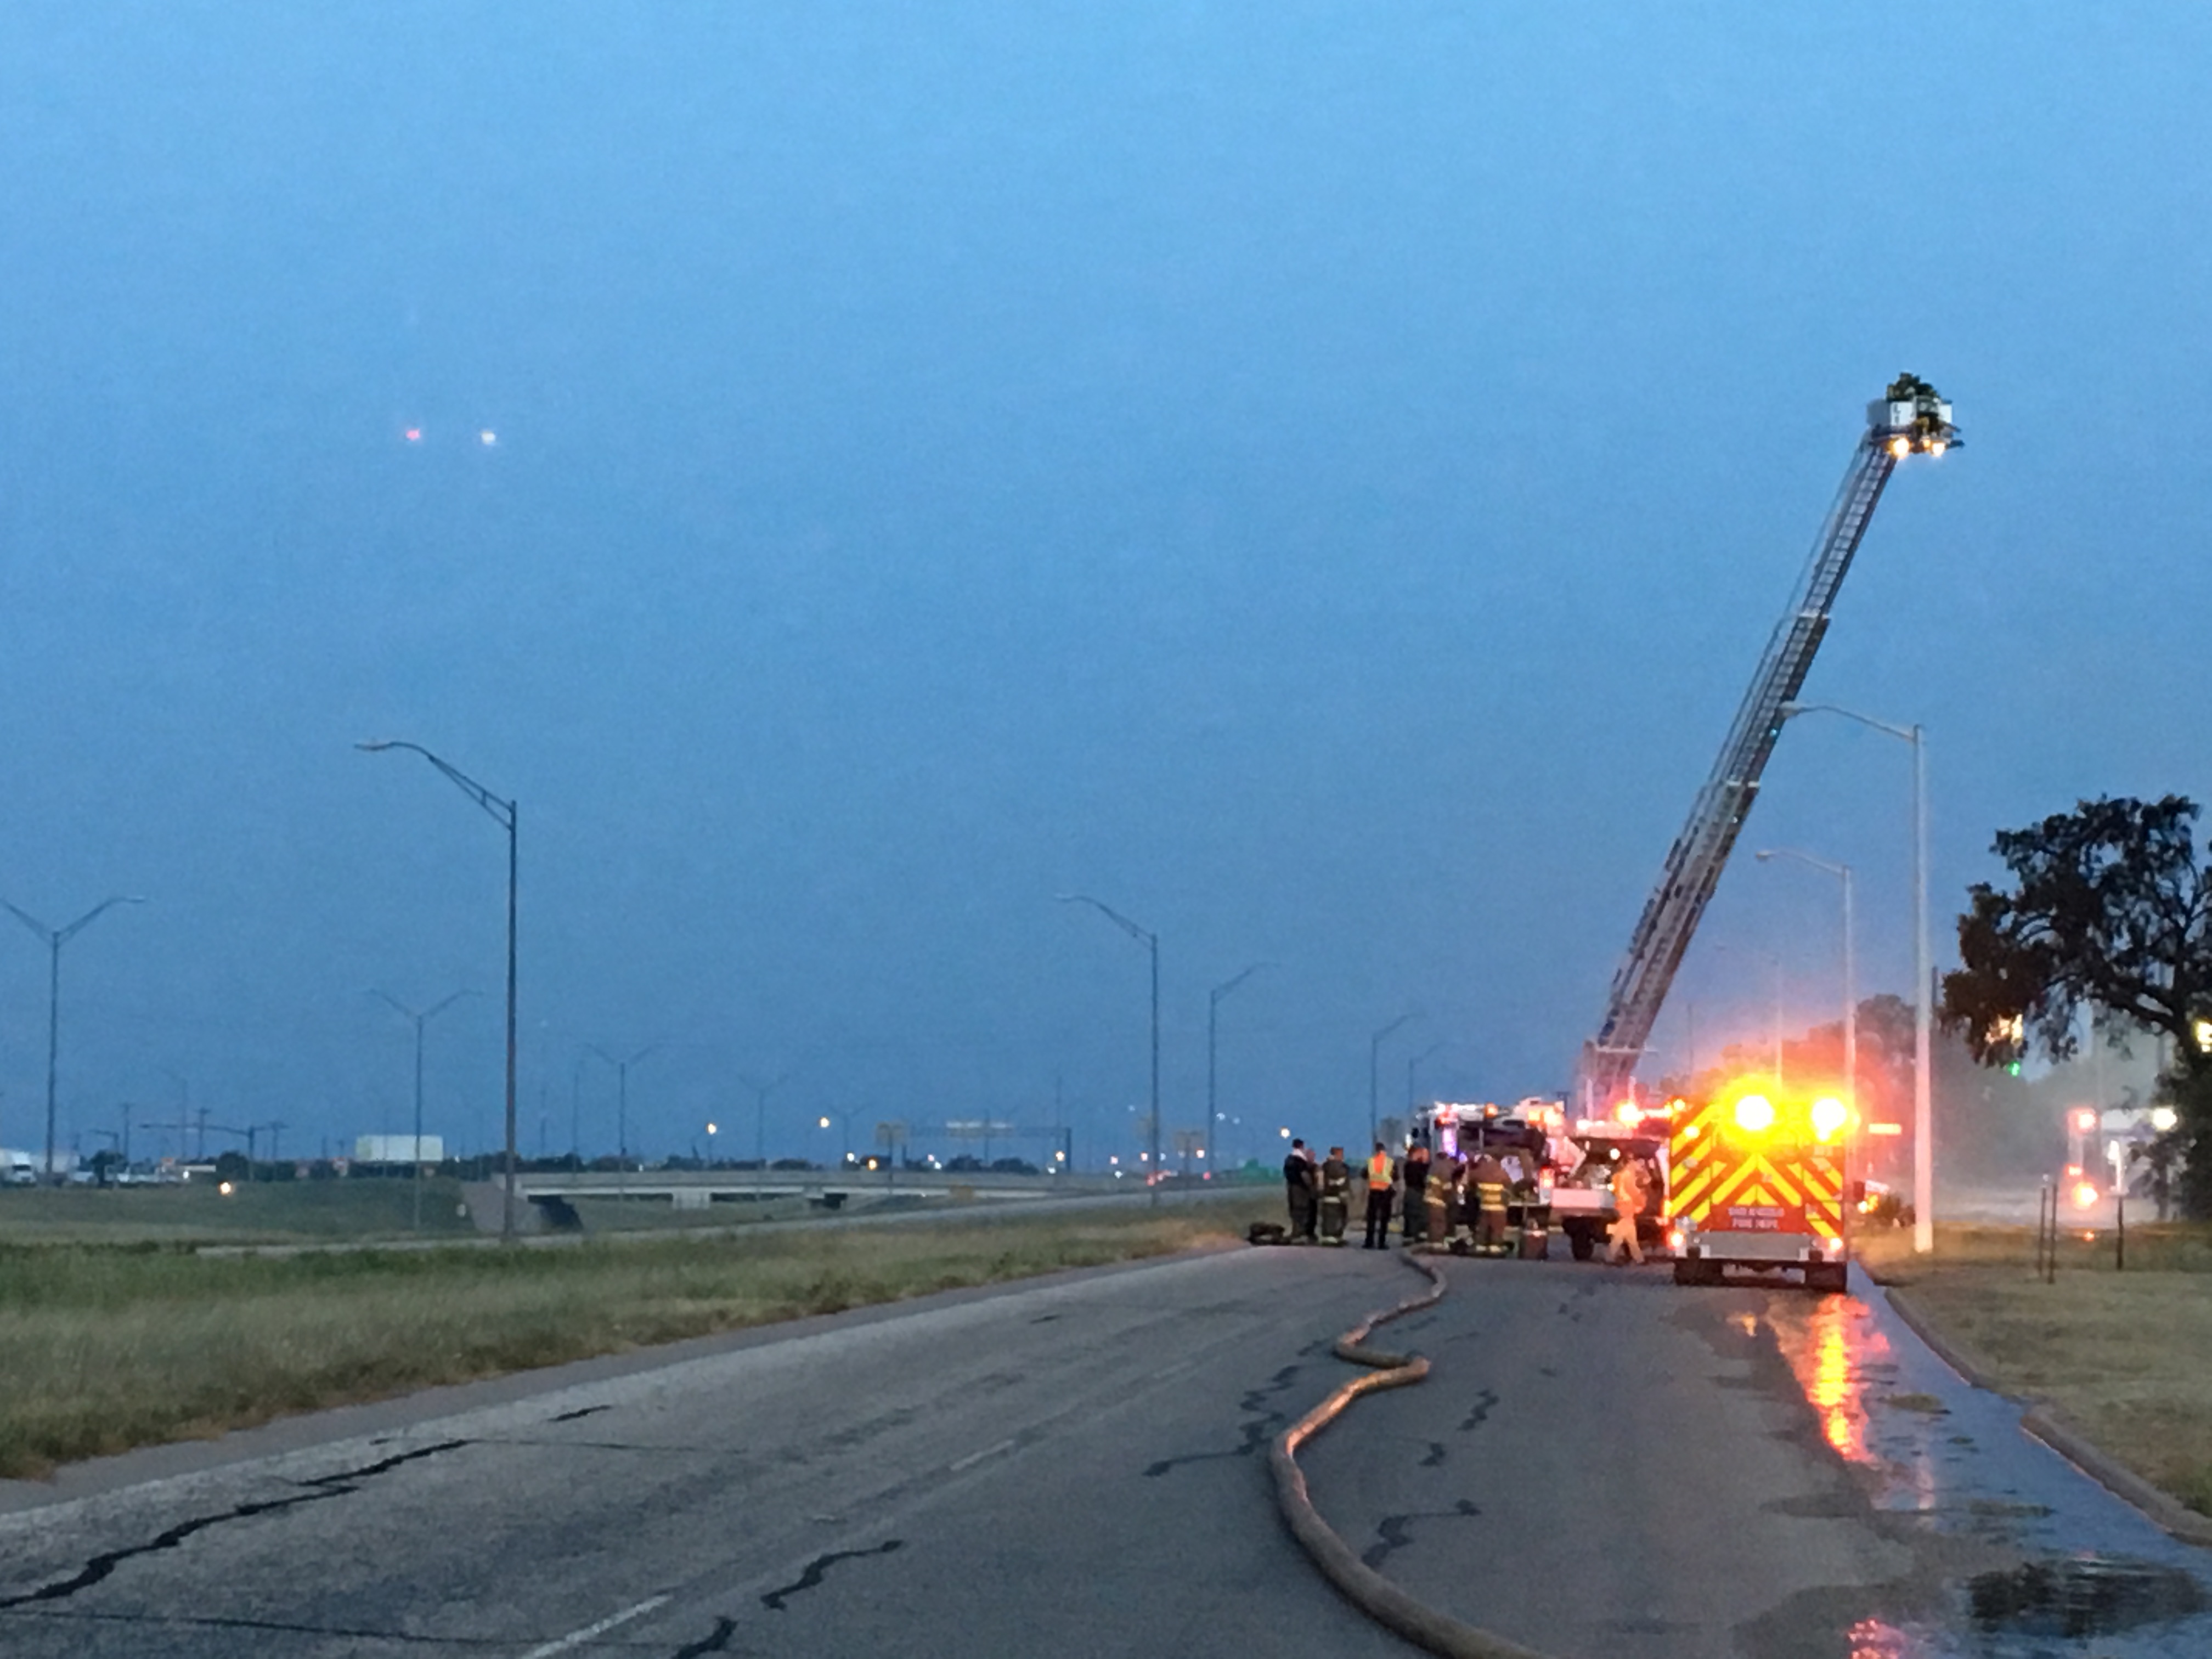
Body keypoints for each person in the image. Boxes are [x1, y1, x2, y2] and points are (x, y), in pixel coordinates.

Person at [1469, 1150, 1513, 1256]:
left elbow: (1471, 1179)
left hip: (1485, 1205)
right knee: (1497, 1228)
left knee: (1483, 1226)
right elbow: (1509, 1186)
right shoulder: (1502, 1173)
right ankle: (1495, 1248)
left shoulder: (1481, 1172)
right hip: (1498, 1208)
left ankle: (1480, 1247)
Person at [1608, 1155, 1648, 1265]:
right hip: (1627, 1206)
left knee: (1631, 1235)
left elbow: (1615, 1190)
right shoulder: (1628, 1176)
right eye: (1635, 1163)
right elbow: (1633, 1192)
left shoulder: (1619, 1175)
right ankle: (1610, 1257)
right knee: (1620, 1234)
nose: (1638, 1165)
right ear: (1629, 1164)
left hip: (1622, 1205)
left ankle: (1639, 1259)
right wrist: (1641, 1201)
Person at [1283, 1138, 1318, 1243]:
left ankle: (1296, 1231)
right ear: (1302, 1146)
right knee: (1302, 1210)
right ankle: (1301, 1233)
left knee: (1294, 1210)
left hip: (1291, 1188)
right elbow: (1305, 1176)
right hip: (1301, 1189)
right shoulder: (1300, 1161)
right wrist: (1311, 1187)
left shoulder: (1288, 1160)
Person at [1362, 1142, 1396, 1248]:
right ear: (1384, 1151)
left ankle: (1369, 1242)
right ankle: (1382, 1243)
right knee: (1384, 1219)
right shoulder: (1389, 1162)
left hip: (1374, 1192)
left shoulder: (1371, 1161)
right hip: (1386, 1192)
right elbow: (1396, 1176)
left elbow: (1363, 1174)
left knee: (1371, 1218)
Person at [1317, 1146, 1352, 1245]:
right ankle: (1334, 1237)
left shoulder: (1324, 1166)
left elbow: (1321, 1182)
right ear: (1338, 1154)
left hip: (1327, 1196)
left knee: (1329, 1217)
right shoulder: (1339, 1166)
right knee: (1336, 1217)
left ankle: (1329, 1236)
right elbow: (1342, 1182)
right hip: (1336, 1196)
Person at [1400, 1140, 1431, 1245]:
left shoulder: (1409, 1165)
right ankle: (1414, 1236)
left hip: (1412, 1192)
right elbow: (1421, 1179)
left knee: (1412, 1215)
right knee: (1416, 1215)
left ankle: (1411, 1236)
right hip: (1415, 1193)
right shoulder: (1414, 1166)